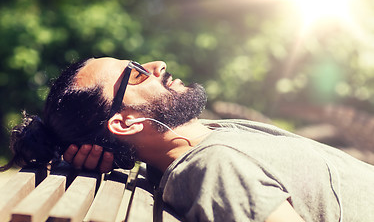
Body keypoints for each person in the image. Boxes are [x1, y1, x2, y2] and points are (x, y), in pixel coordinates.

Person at [2, 57, 374, 222]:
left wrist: (76, 154)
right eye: (134, 74)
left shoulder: (205, 139)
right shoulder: (212, 167)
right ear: (127, 123)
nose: (157, 65)